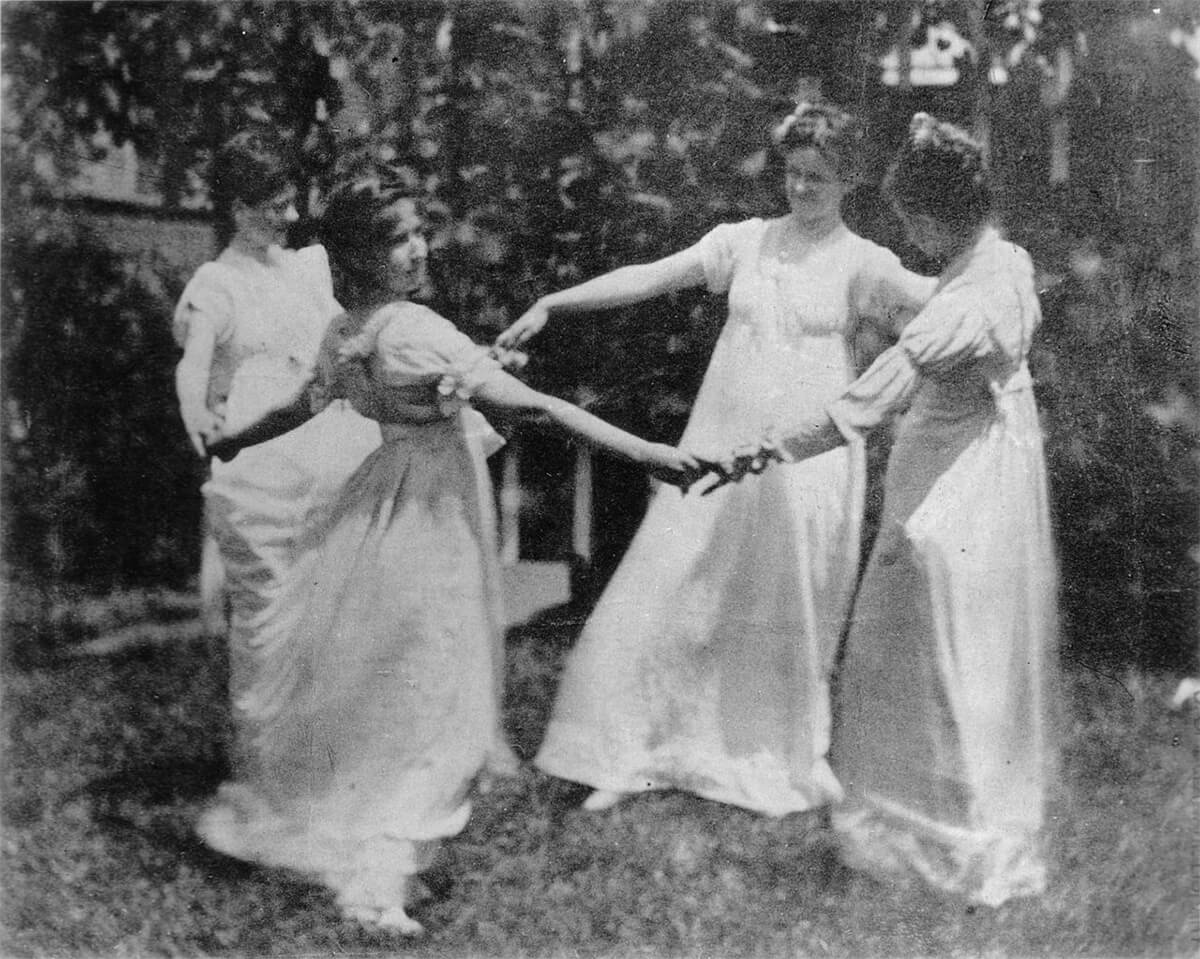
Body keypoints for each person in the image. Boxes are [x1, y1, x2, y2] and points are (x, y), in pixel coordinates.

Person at [200, 176, 702, 934]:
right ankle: (377, 881)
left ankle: (385, 858)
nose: (418, 247)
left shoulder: (350, 328)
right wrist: (647, 451)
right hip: (429, 515)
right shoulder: (412, 327)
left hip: (382, 507)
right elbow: (529, 409)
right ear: (364, 254)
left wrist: (233, 438)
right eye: (398, 238)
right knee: (427, 689)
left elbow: (302, 405)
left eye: (417, 232)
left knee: (391, 685)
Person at [496, 101, 935, 815]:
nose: (800, 190)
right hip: (718, 444)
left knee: (783, 602)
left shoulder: (864, 263)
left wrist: (996, 277)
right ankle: (632, 751)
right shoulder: (746, 242)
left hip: (804, 460)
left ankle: (767, 753)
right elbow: (648, 275)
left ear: (848, 181)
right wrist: (555, 302)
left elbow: (940, 311)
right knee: (672, 583)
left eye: (818, 178)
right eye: (792, 174)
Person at [706, 113, 1058, 906]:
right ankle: (964, 820)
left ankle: (945, 832)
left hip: (954, 479)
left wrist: (763, 451)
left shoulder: (963, 300)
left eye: (910, 222)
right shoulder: (1006, 258)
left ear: (932, 218)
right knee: (962, 640)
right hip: (988, 465)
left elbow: (870, 397)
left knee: (924, 638)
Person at [173, 129, 381, 816]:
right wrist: (196, 415)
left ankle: (331, 759)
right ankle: (267, 776)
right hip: (259, 465)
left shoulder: (307, 270)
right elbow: (194, 362)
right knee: (267, 618)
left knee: (336, 609)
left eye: (292, 203)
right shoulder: (217, 285)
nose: (290, 218)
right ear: (236, 209)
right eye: (274, 206)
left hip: (324, 449)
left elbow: (346, 342)